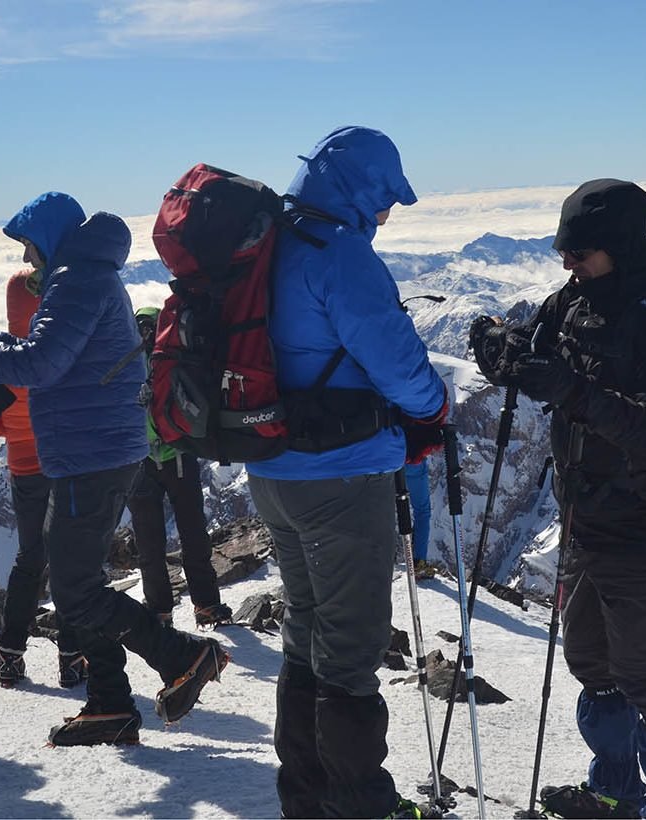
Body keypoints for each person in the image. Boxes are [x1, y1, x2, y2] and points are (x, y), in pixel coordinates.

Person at [471, 179, 646, 818]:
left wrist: (567, 388)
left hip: (643, 525)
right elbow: (537, 356)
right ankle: (615, 793)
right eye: (564, 249)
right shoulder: (569, 303)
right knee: (592, 666)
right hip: (583, 517)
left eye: (581, 251)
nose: (566, 261)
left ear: (622, 247)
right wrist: (499, 347)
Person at [246, 126, 447, 819]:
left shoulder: (269, 244)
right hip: (340, 474)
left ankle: (304, 798)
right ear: (362, 191)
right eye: (385, 200)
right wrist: (433, 409)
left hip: (271, 470)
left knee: (306, 631)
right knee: (351, 648)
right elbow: (398, 365)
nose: (387, 217)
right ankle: (362, 807)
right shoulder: (340, 256)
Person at [0, 191, 229, 747]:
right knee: (81, 581)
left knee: (74, 589)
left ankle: (185, 655)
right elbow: (46, 352)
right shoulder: (82, 275)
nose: (28, 258)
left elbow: (40, 364)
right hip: (95, 448)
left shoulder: (76, 279)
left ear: (48, 236)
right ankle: (110, 705)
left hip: (90, 454)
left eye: (29, 245)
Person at [0, 269, 87, 689]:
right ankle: (71, 657)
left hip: (23, 468)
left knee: (29, 558)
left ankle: (11, 655)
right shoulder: (59, 350)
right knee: (68, 559)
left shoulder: (0, 358)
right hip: (64, 465)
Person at [128, 307, 232, 629]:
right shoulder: (170, 359)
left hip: (142, 459)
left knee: (151, 542)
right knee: (191, 534)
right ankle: (205, 605)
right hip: (179, 454)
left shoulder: (129, 363)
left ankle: (160, 612)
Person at [404, 457, 434, 578]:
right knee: (422, 512)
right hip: (413, 461)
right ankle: (419, 562)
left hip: (387, 458)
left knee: (383, 511)